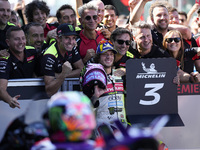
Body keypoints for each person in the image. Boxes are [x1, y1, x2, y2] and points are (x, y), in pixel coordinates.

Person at [85, 40, 128, 136]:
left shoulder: (120, 74)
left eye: (111, 54)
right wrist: (95, 97)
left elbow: (139, 73)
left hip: (122, 125)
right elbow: (86, 107)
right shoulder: (92, 76)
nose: (109, 57)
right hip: (103, 127)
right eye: (105, 54)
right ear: (98, 57)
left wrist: (127, 70)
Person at [0, 26, 39, 109]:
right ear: (8, 42)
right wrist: (10, 100)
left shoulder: (32, 52)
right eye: (17, 39)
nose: (21, 42)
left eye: (23, 38)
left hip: (32, 103)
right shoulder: (4, 59)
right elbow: (1, 88)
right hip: (11, 107)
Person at [41, 23, 84, 96]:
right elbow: (49, 91)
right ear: (58, 38)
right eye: (67, 38)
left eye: (73, 38)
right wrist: (63, 74)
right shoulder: (49, 56)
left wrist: (63, 75)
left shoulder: (71, 47)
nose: (71, 42)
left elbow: (82, 70)